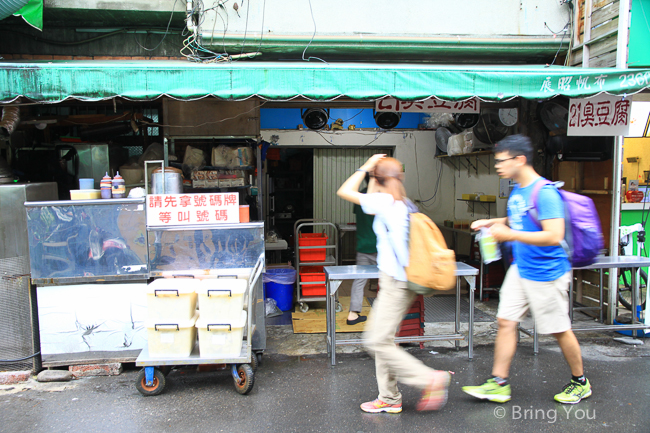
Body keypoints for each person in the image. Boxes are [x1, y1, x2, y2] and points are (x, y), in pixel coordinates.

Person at [462, 134, 591, 404]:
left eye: (501, 161)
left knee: (558, 329)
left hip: (547, 272)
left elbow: (553, 235)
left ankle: (580, 382)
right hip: (522, 269)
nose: (497, 166)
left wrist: (510, 235)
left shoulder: (544, 192)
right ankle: (498, 383)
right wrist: (490, 221)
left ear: (519, 160)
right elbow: (517, 218)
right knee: (506, 321)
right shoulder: (519, 189)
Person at [337, 154, 451, 414]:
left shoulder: (386, 202)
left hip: (397, 282)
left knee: (376, 341)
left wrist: (366, 168)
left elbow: (344, 190)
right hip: (399, 280)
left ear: (377, 180)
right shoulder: (402, 202)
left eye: (374, 179)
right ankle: (389, 397)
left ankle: (430, 379)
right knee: (384, 340)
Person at [347, 173, 378, 326]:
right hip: (381, 248)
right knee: (390, 281)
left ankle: (353, 315)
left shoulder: (359, 197)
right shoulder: (382, 197)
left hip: (363, 246)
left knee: (359, 281)